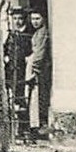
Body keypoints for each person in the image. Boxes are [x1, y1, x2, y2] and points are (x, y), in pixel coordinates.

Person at [26, 10, 51, 138]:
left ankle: (42, 125)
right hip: (37, 68)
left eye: (37, 18)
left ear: (43, 19)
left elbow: (40, 54)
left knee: (41, 96)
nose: (35, 22)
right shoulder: (36, 33)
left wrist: (34, 69)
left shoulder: (43, 33)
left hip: (42, 69)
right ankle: (37, 126)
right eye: (32, 19)